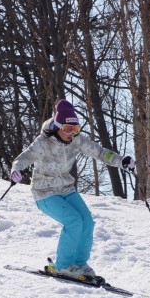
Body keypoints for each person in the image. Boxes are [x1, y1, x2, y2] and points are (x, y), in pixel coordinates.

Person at [10, 99, 135, 279]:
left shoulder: (77, 140)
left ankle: (79, 264)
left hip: (66, 189)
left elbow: (100, 153)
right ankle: (62, 266)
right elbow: (23, 158)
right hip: (44, 192)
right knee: (73, 221)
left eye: (75, 129)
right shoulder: (43, 142)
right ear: (58, 127)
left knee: (87, 221)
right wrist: (16, 170)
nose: (71, 134)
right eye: (68, 129)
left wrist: (121, 161)